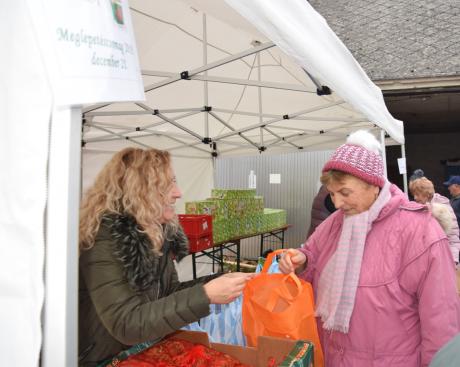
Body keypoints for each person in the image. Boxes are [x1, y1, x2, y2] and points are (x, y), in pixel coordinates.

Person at [278, 130, 460, 367]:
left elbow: (441, 321)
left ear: (374, 185)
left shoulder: (419, 231)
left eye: (345, 192)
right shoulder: (336, 223)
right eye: (332, 194)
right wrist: (302, 260)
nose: (337, 203)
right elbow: (313, 257)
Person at [78, 147, 254, 366]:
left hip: (141, 350)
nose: (178, 192)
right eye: (168, 184)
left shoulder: (155, 232)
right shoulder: (103, 238)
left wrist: (216, 281)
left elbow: (169, 293)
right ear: (139, 190)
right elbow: (126, 323)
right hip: (103, 358)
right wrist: (206, 295)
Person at [409, 176, 460, 264]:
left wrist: (453, 260)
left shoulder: (444, 207)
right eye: (414, 194)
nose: (415, 198)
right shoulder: (417, 207)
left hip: (442, 258)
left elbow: (453, 237)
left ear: (427, 194)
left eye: (417, 194)